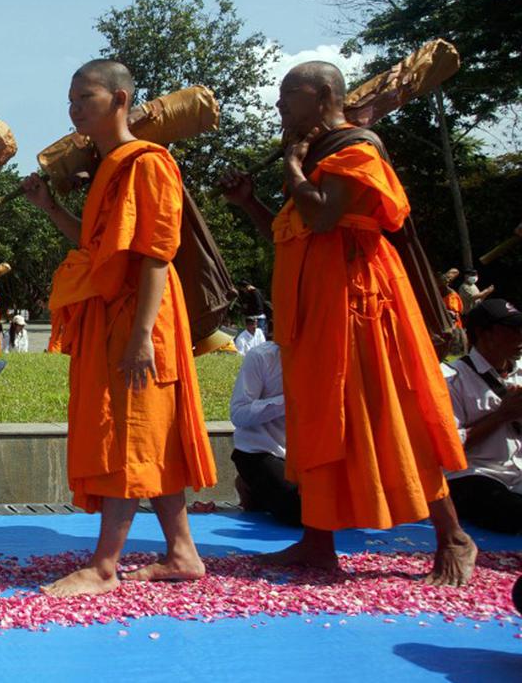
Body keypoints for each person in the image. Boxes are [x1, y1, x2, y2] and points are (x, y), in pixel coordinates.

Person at [219, 61, 476, 584]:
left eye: (288, 94)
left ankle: (452, 533)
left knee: (389, 413)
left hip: (361, 308)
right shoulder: (320, 155)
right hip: (315, 316)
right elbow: (291, 232)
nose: (279, 106)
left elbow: (324, 218)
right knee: (317, 421)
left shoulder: (357, 148)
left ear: (322, 95)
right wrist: (250, 202)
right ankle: (317, 543)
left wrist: (292, 166)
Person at [22, 60, 217, 597]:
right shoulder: (109, 167)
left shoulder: (148, 163)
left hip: (141, 318)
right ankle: (182, 553)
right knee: (149, 430)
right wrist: (49, 207)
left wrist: (139, 338)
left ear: (121, 100)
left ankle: (105, 566)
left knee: (128, 428)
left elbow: (157, 255)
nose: (74, 108)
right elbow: (95, 248)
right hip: (116, 313)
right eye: (71, 99)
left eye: (86, 96)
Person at [443, 299, 522, 534]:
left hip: (518, 472)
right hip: (475, 475)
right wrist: (501, 415)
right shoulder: (451, 377)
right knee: (509, 513)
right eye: (511, 330)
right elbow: (448, 448)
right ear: (482, 333)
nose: (520, 336)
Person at [229, 340, 301, 526]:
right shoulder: (262, 357)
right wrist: (289, 400)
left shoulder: (333, 357)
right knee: (302, 512)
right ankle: (249, 484)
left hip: (310, 458)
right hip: (262, 451)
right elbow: (238, 413)